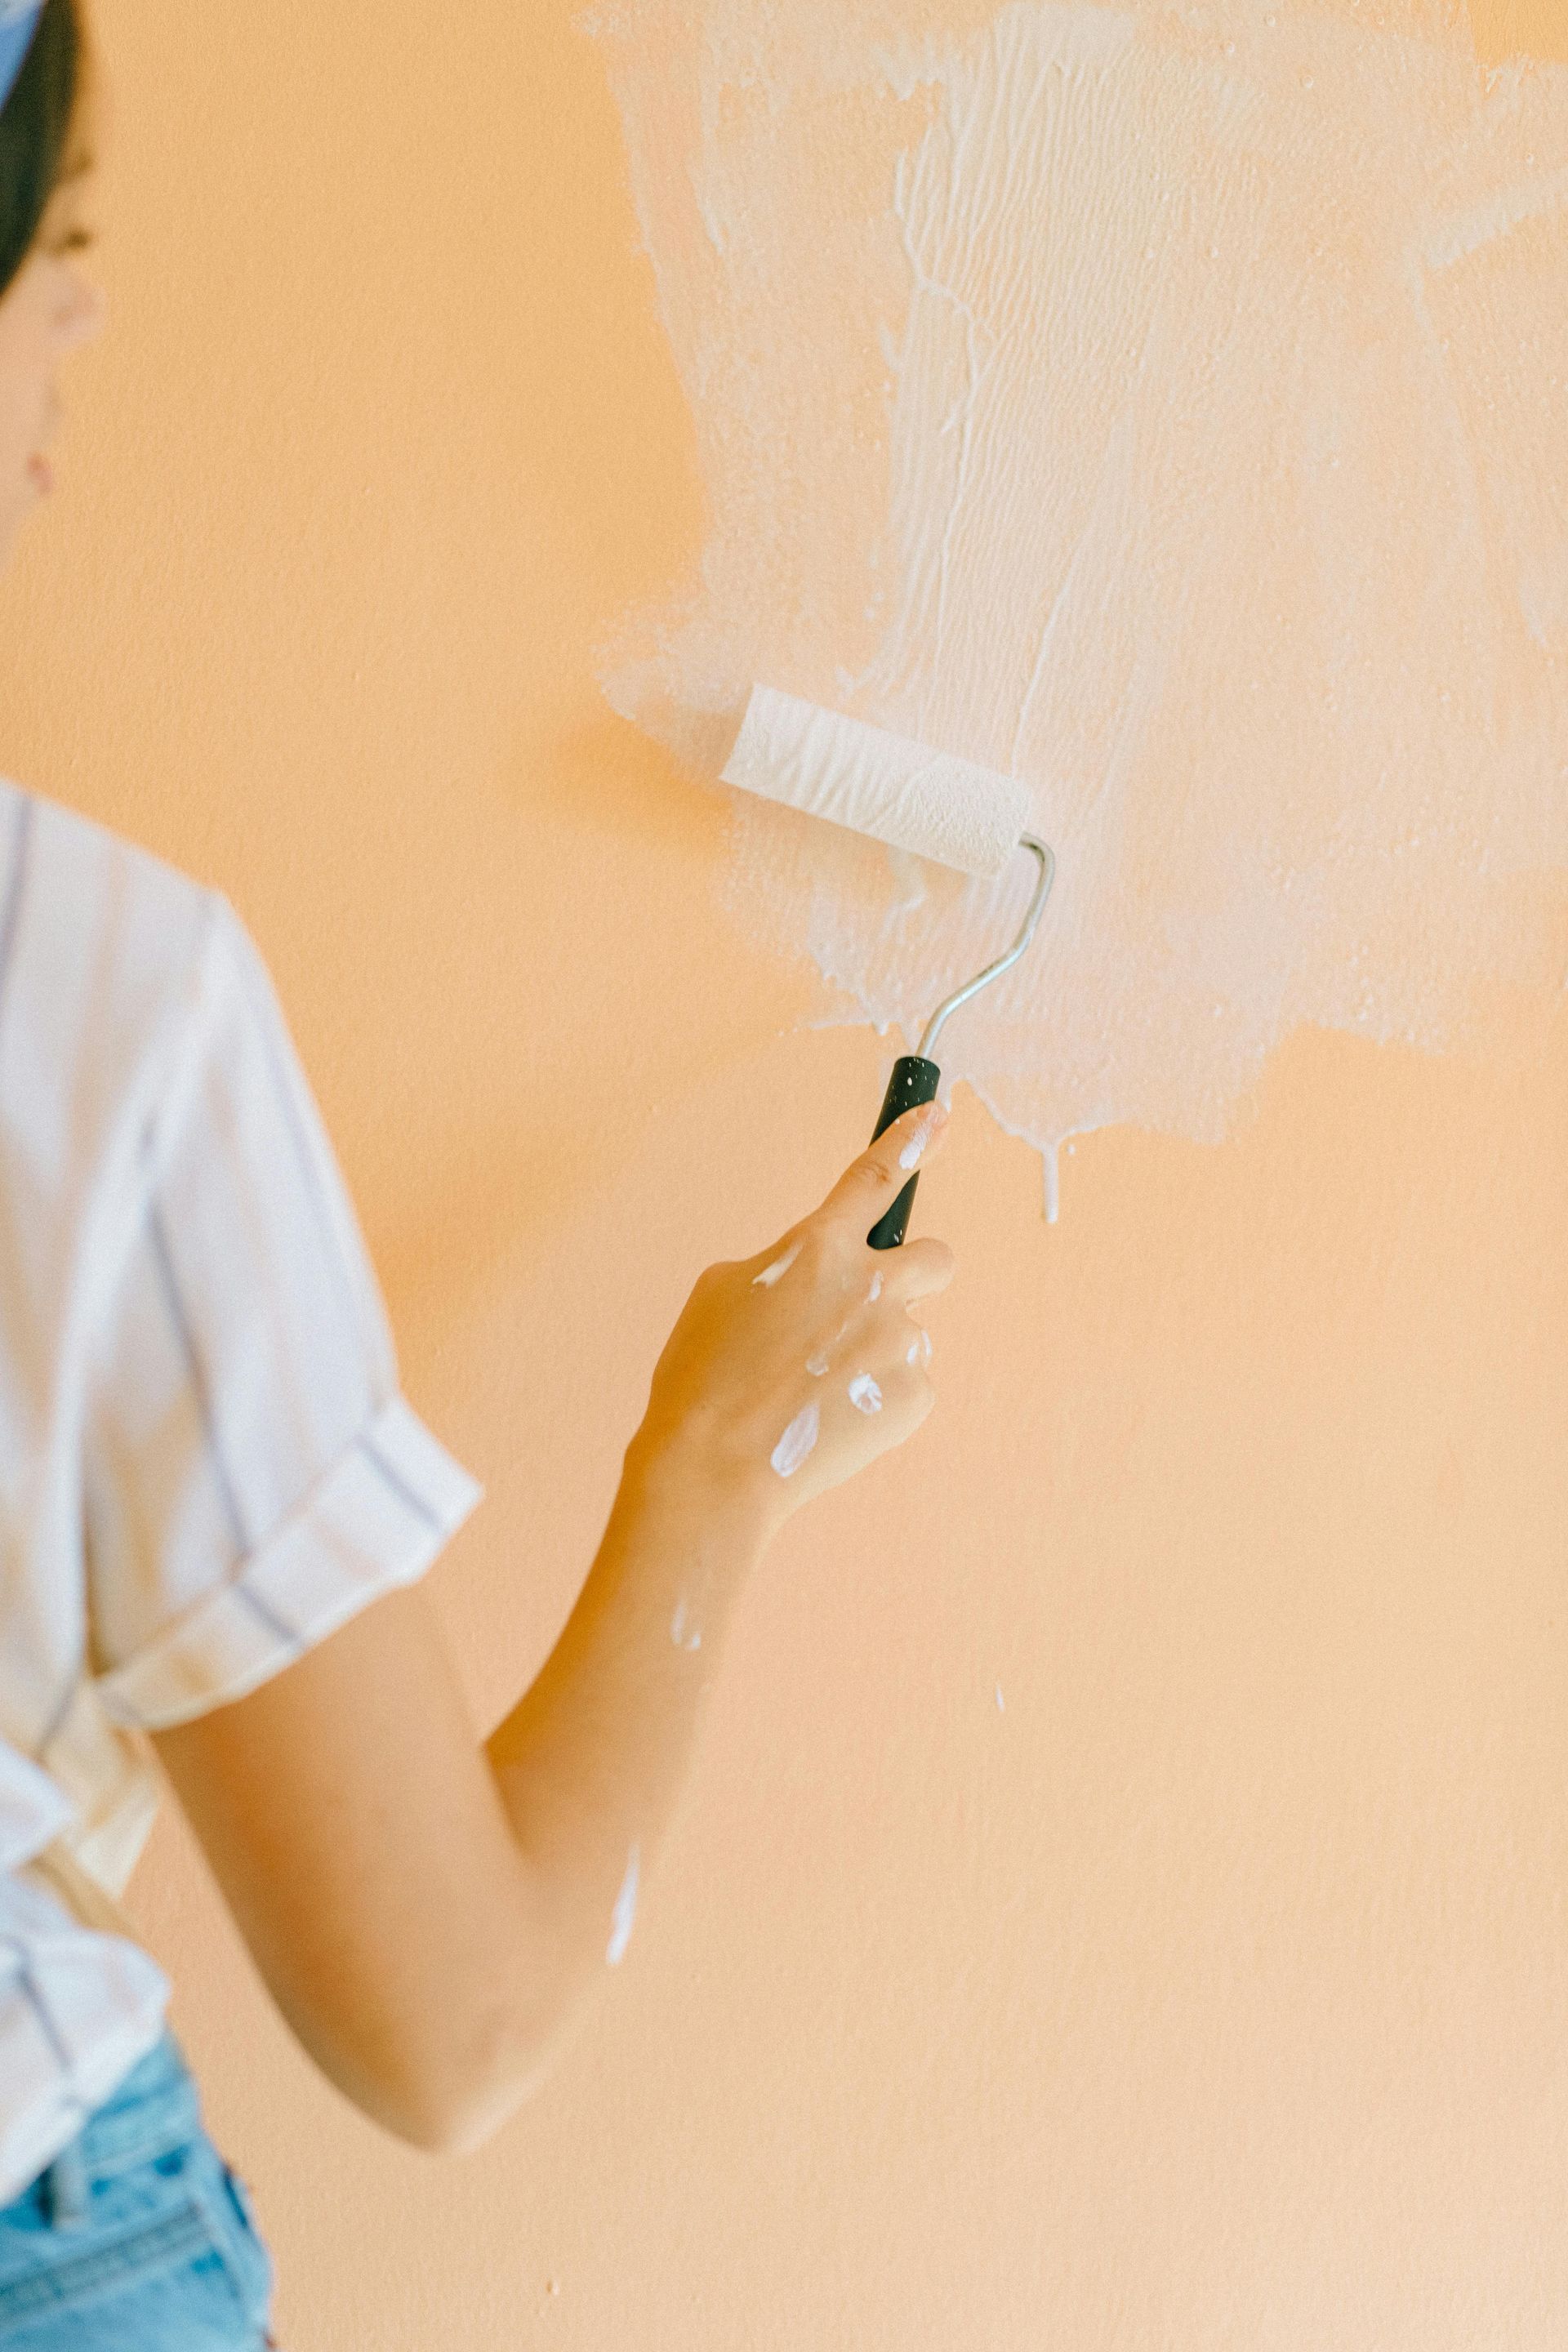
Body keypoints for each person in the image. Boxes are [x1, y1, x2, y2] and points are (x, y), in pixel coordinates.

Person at [0, 5, 956, 2343]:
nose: (82, 312)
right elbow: (453, 2023)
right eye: (54, 239)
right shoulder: (90, 996)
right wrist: (723, 1448)